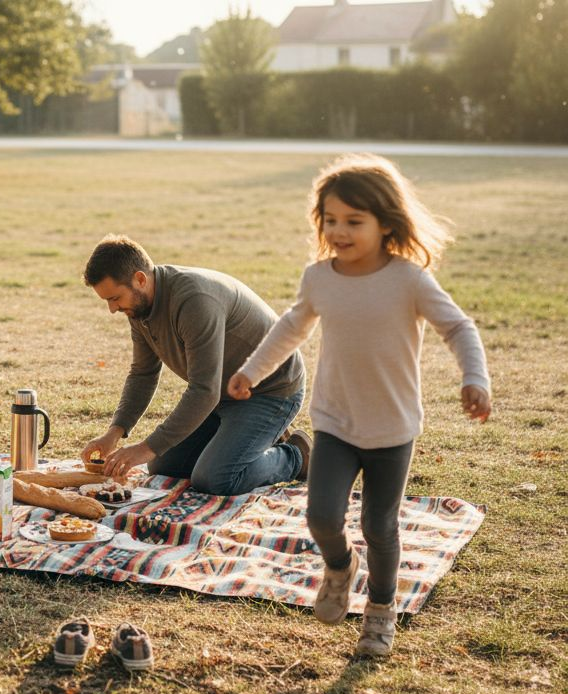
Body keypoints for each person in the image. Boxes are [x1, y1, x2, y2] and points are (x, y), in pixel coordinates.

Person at [228, 153, 491, 657]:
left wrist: (474, 377)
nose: (339, 230)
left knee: (380, 524)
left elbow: (458, 327)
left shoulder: (408, 279)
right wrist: (250, 372)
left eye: (354, 221)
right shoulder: (320, 278)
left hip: (392, 427)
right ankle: (339, 565)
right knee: (322, 516)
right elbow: (290, 328)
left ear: (385, 223)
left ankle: (379, 611)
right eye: (330, 220)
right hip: (335, 421)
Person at [79, 235, 308, 496]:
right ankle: (243, 441)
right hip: (221, 393)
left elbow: (203, 391)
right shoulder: (139, 308)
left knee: (214, 479)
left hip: (270, 391)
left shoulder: (194, 301)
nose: (112, 309)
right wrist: (114, 433)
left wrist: (144, 447)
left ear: (140, 279)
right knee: (162, 464)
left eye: (115, 298)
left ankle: (296, 455)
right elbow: (143, 374)